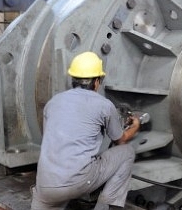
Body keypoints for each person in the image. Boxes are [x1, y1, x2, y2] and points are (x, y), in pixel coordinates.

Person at [31, 51, 140, 210]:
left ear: (73, 79)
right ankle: (105, 206)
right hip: (79, 181)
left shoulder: (53, 103)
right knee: (127, 151)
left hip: (45, 186)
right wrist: (136, 125)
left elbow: (53, 139)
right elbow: (121, 139)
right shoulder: (104, 105)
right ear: (97, 81)